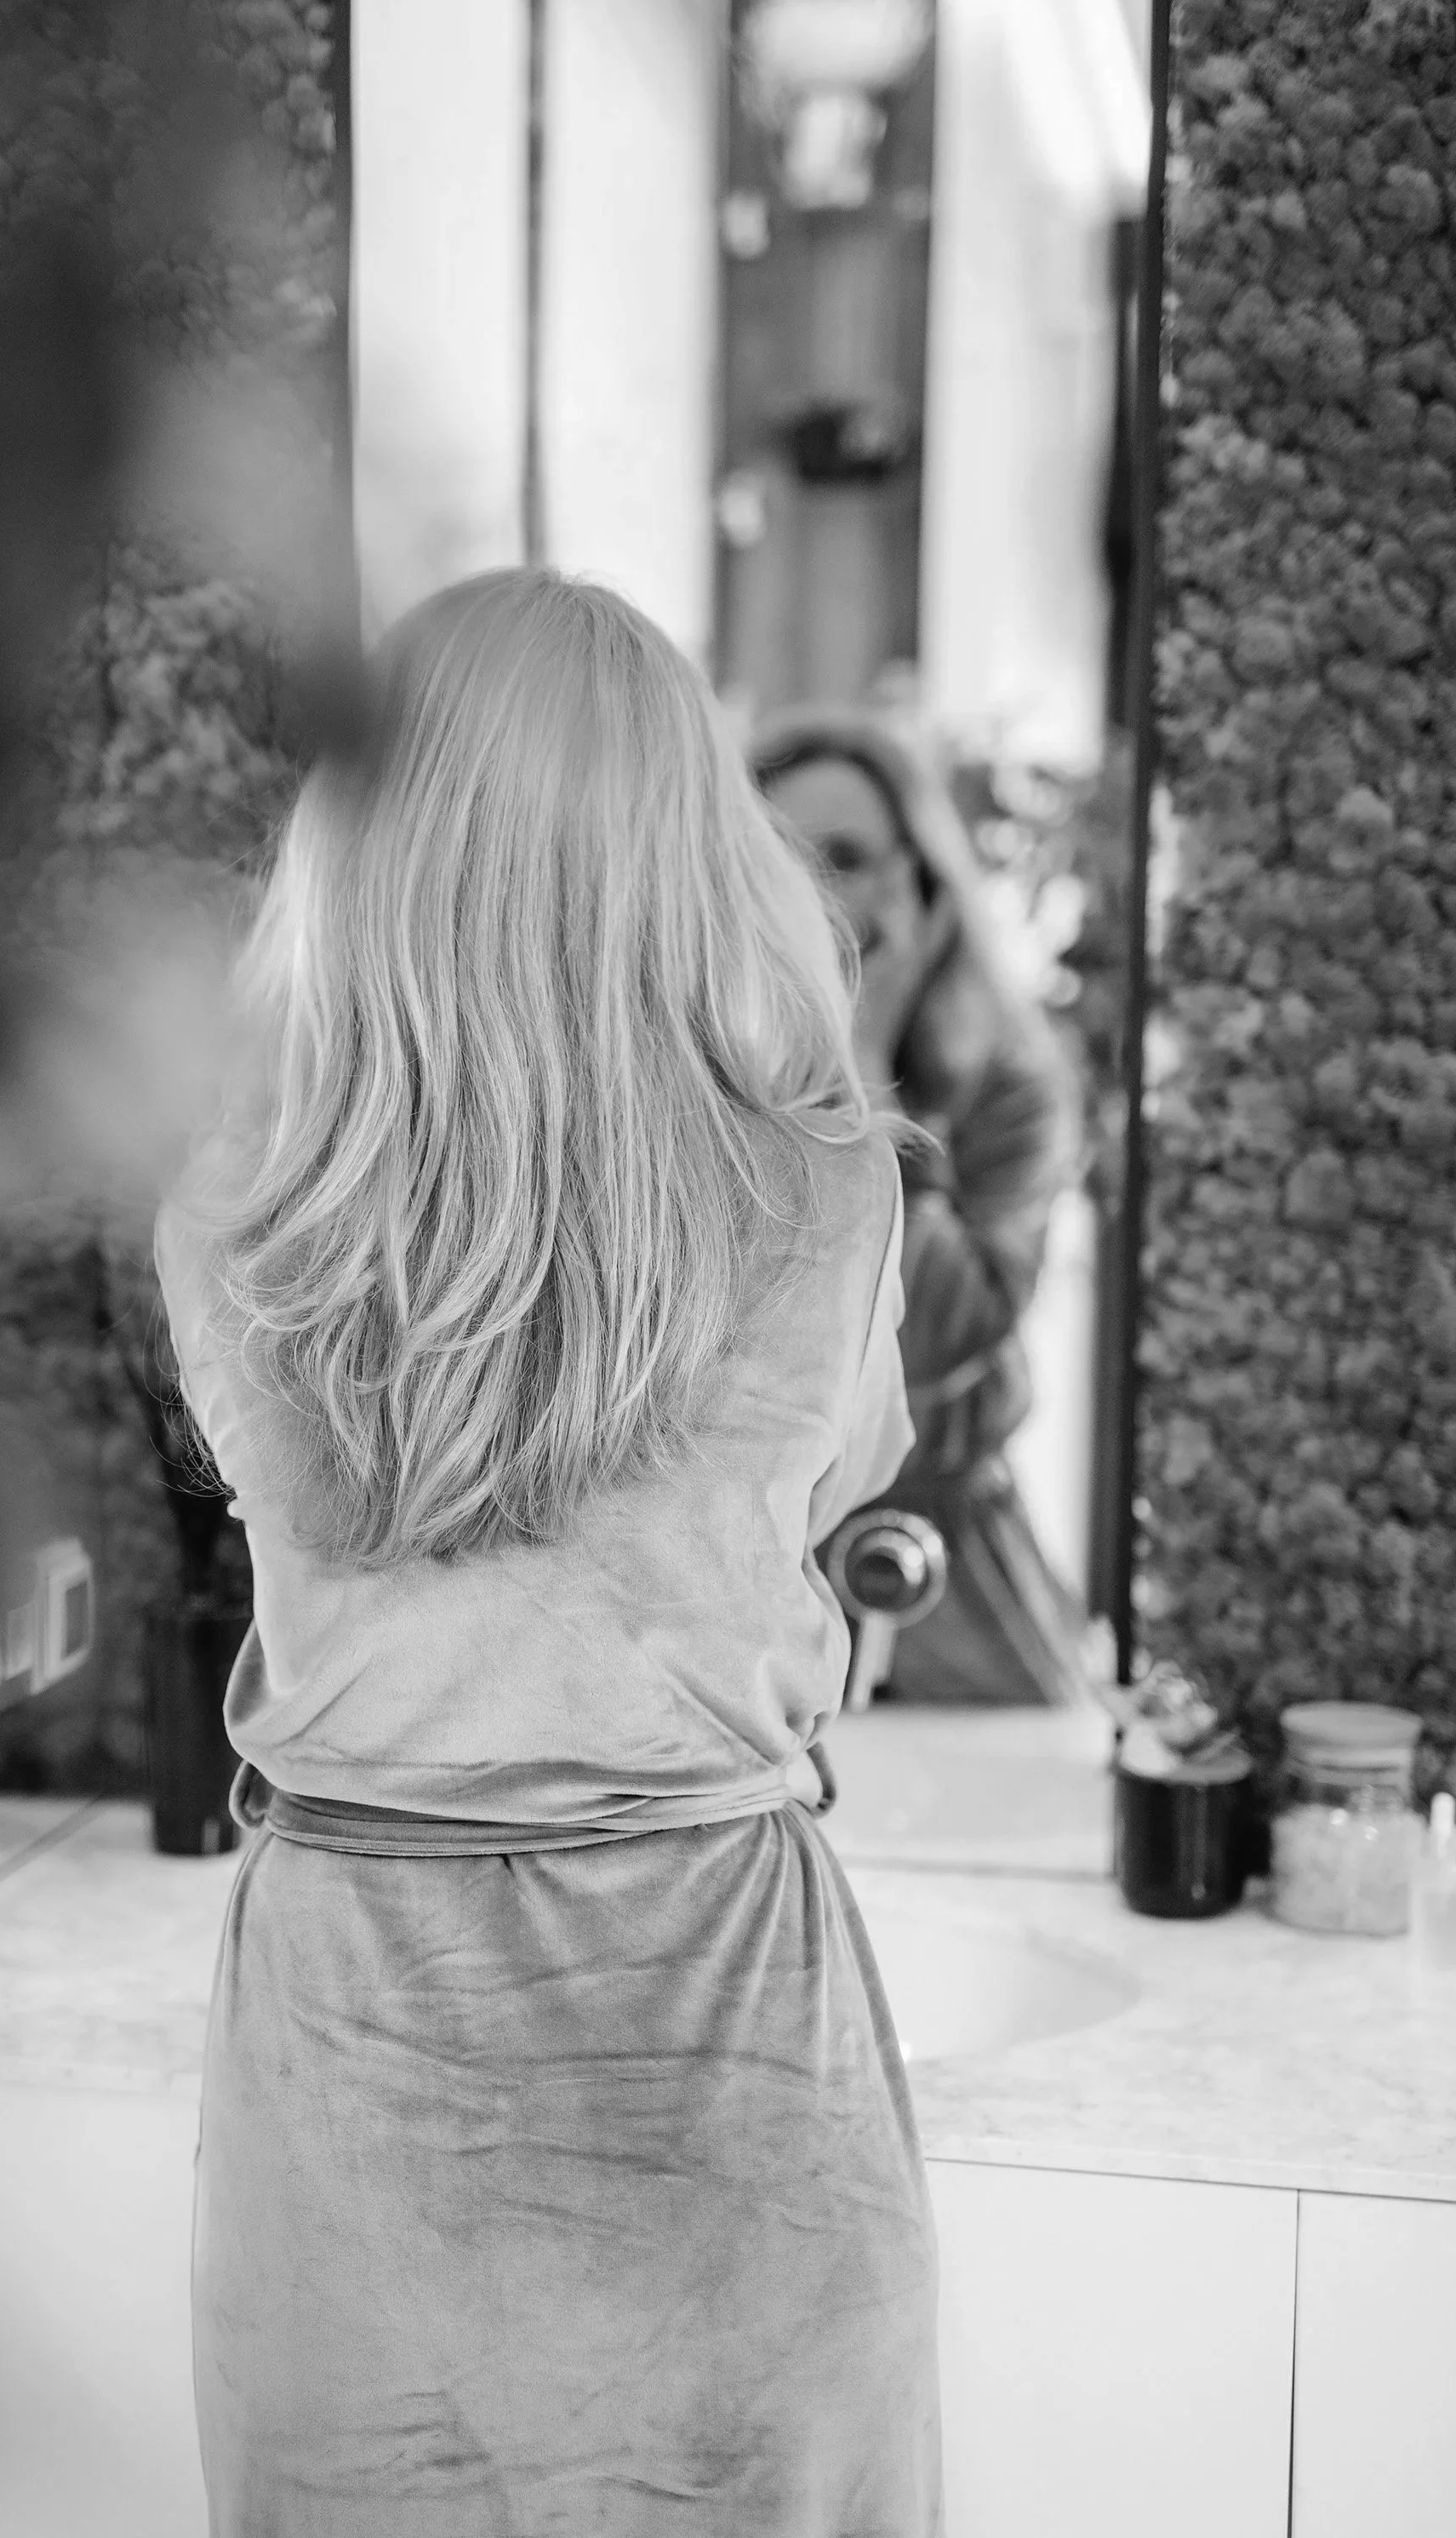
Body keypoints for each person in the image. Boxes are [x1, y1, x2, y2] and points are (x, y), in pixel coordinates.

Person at [156, 572, 945, 2536]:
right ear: (688, 834)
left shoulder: (232, 1220)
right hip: (719, 2032)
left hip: (354, 2063)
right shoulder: (830, 1197)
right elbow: (824, 1491)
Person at [754, 702, 1089, 1708]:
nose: (809, 895)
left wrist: (860, 1068)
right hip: (749, 1575)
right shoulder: (701, 1089)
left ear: (924, 886)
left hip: (947, 1577)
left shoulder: (1009, 1086)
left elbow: (938, 1334)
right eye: (773, 858)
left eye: (845, 857)